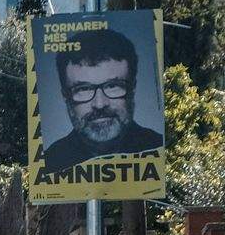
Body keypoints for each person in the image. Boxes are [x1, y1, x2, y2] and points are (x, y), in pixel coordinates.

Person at [40, 27, 164, 172]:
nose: (99, 104)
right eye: (84, 89)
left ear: (133, 88)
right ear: (65, 95)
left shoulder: (157, 148)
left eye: (112, 86)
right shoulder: (50, 164)